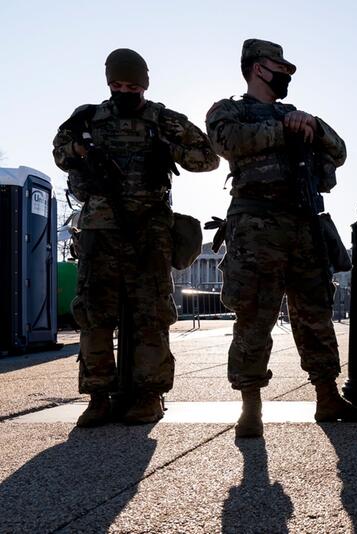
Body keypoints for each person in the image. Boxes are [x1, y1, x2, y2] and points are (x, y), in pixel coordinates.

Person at [206, 39, 357, 438]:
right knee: (253, 316)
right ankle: (250, 405)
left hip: (303, 224)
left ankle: (327, 395)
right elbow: (225, 142)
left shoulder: (298, 115)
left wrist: (312, 124)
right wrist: (282, 128)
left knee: (315, 314)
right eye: (279, 67)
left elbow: (340, 150)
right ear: (257, 67)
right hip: (255, 225)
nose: (286, 75)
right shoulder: (230, 110)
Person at [52, 48, 219, 426]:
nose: (123, 91)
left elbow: (208, 158)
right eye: (116, 84)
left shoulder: (161, 119)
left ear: (144, 83)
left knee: (152, 313)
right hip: (100, 229)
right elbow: (60, 151)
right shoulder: (88, 117)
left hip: (149, 229)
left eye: (131, 85)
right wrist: (81, 149)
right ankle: (98, 396)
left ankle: (149, 394)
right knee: (94, 314)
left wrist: (168, 150)